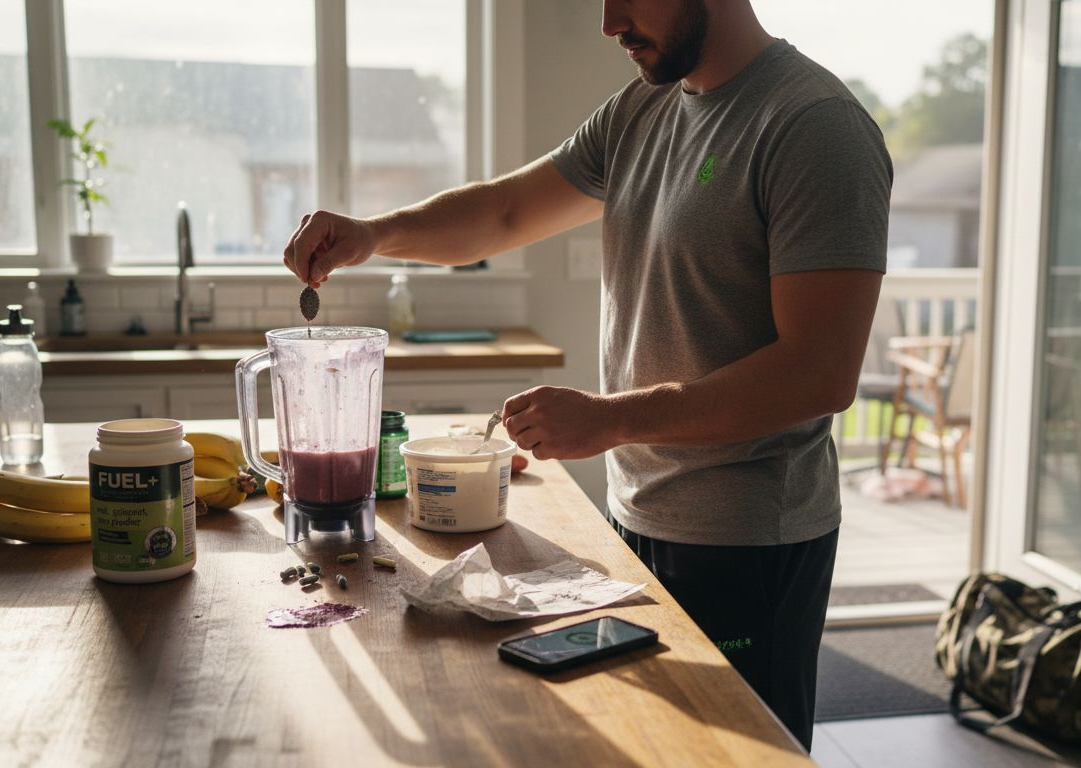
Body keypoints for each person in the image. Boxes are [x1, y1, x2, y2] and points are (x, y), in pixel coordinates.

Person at [284, 0, 891, 748]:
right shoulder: (645, 106)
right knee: (645, 743)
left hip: (748, 544)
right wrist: (376, 234)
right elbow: (506, 213)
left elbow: (819, 374)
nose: (608, 22)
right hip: (638, 516)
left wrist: (611, 419)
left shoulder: (814, 125)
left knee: (736, 754)